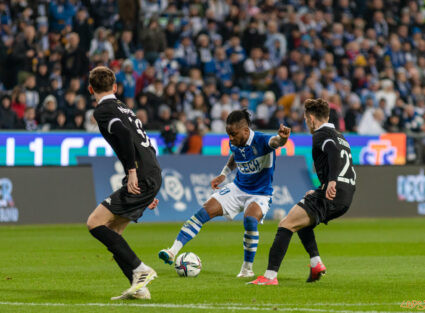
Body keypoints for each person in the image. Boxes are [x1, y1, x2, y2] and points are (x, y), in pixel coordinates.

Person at [158, 110, 291, 278]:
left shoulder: (262, 140)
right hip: (238, 188)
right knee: (202, 212)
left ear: (245, 130)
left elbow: (276, 142)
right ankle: (172, 251)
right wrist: (223, 174)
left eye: (233, 134)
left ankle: (246, 269)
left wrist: (283, 138)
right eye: (228, 134)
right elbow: (235, 156)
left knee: (250, 220)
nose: (231, 138)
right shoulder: (234, 141)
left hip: (260, 194)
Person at [249, 98, 356, 285]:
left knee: (285, 224)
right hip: (346, 195)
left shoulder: (321, 135)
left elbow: (332, 152)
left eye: (307, 120)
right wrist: (321, 189)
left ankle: (269, 277)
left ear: (312, 118)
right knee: (302, 221)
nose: (307, 124)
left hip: (333, 191)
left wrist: (331, 182)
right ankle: (316, 264)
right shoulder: (340, 136)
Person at [85, 66, 161, 300]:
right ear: (115, 87)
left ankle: (140, 270)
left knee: (95, 223)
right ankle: (139, 289)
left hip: (141, 174)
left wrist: (133, 173)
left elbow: (124, 136)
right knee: (113, 231)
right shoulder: (125, 108)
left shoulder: (103, 110)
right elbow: (146, 144)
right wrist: (149, 185)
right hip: (150, 173)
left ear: (90, 89)